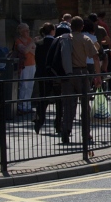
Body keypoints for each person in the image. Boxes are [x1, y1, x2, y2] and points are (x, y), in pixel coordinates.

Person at [59, 16, 101, 149]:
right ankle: (86, 133)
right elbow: (95, 57)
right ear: (82, 27)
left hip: (67, 75)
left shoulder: (64, 39)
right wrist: (98, 76)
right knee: (85, 105)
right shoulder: (85, 39)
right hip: (82, 74)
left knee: (68, 105)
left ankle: (66, 130)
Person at [33, 22, 60, 134]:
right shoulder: (56, 42)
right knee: (59, 99)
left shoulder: (39, 43)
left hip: (42, 74)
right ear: (52, 31)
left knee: (43, 97)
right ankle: (58, 124)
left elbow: (37, 59)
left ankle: (39, 119)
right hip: (54, 74)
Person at [14, 23, 37, 114]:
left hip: (32, 64)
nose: (28, 32)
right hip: (24, 65)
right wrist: (30, 45)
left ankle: (28, 105)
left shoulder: (29, 39)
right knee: (24, 85)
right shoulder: (18, 40)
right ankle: (21, 106)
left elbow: (35, 52)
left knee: (30, 86)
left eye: (28, 30)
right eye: (26, 30)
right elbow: (24, 50)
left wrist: (29, 48)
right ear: (21, 32)